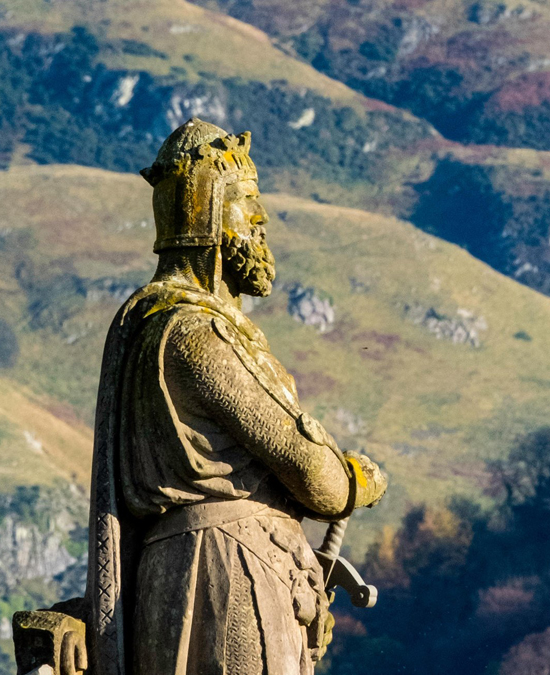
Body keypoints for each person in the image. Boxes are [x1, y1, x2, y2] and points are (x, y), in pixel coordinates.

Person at [86, 118, 387, 675]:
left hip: (188, 571)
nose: (262, 220)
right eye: (247, 204)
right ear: (208, 215)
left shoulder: (157, 327)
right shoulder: (194, 333)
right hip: (227, 574)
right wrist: (357, 480)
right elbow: (314, 476)